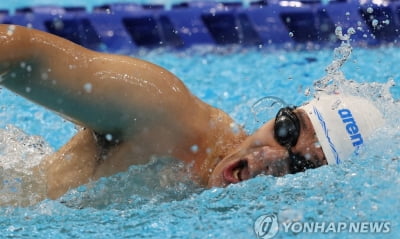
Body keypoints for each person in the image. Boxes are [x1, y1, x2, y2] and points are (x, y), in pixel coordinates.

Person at [0, 25, 384, 201]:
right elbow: (22, 51)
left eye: (302, 166)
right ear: (277, 117)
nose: (270, 159)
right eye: (285, 131)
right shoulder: (163, 113)